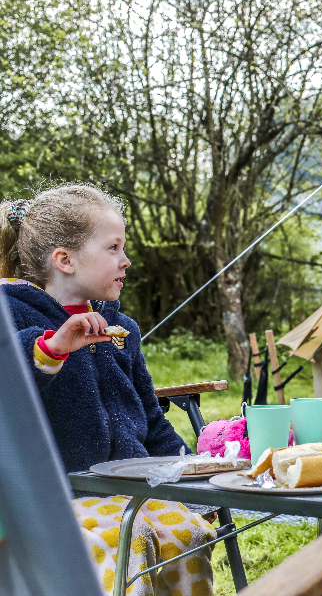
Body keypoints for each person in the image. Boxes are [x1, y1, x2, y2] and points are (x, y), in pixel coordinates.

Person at [0, 185, 216, 596]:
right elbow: (8, 396)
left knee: (187, 532)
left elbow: (151, 420)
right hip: (57, 502)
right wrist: (51, 349)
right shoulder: (10, 316)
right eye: (113, 248)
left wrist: (196, 469)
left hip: (130, 492)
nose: (126, 260)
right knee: (128, 537)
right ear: (64, 260)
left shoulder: (122, 331)